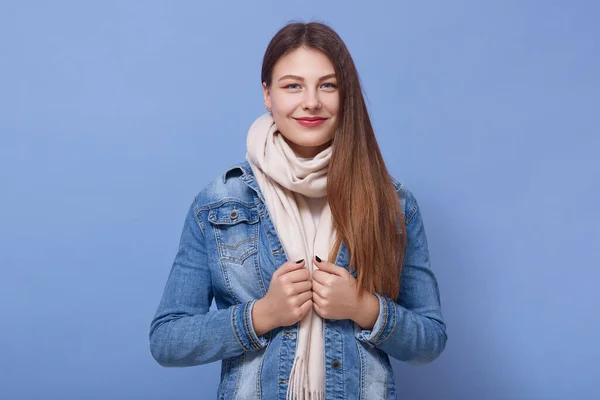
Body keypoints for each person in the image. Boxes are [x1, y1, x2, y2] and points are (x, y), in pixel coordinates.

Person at [149, 21, 446, 400]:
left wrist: (365, 308)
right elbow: (167, 341)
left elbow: (430, 341)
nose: (311, 102)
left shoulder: (392, 206)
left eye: (328, 85)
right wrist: (262, 315)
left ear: (346, 95)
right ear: (267, 94)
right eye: (293, 85)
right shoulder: (218, 204)